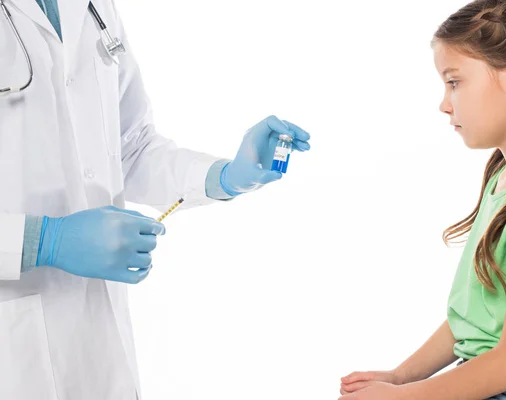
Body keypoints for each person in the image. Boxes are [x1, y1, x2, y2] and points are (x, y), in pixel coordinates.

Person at [0, 0, 310, 398]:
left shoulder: (93, 6)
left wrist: (223, 176)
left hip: (100, 348)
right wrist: (41, 241)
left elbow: (129, 146)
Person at [339, 1, 506, 399]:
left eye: (454, 81)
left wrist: (403, 398)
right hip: (489, 377)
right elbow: (472, 322)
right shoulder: (503, 178)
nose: (444, 103)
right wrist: (401, 376)